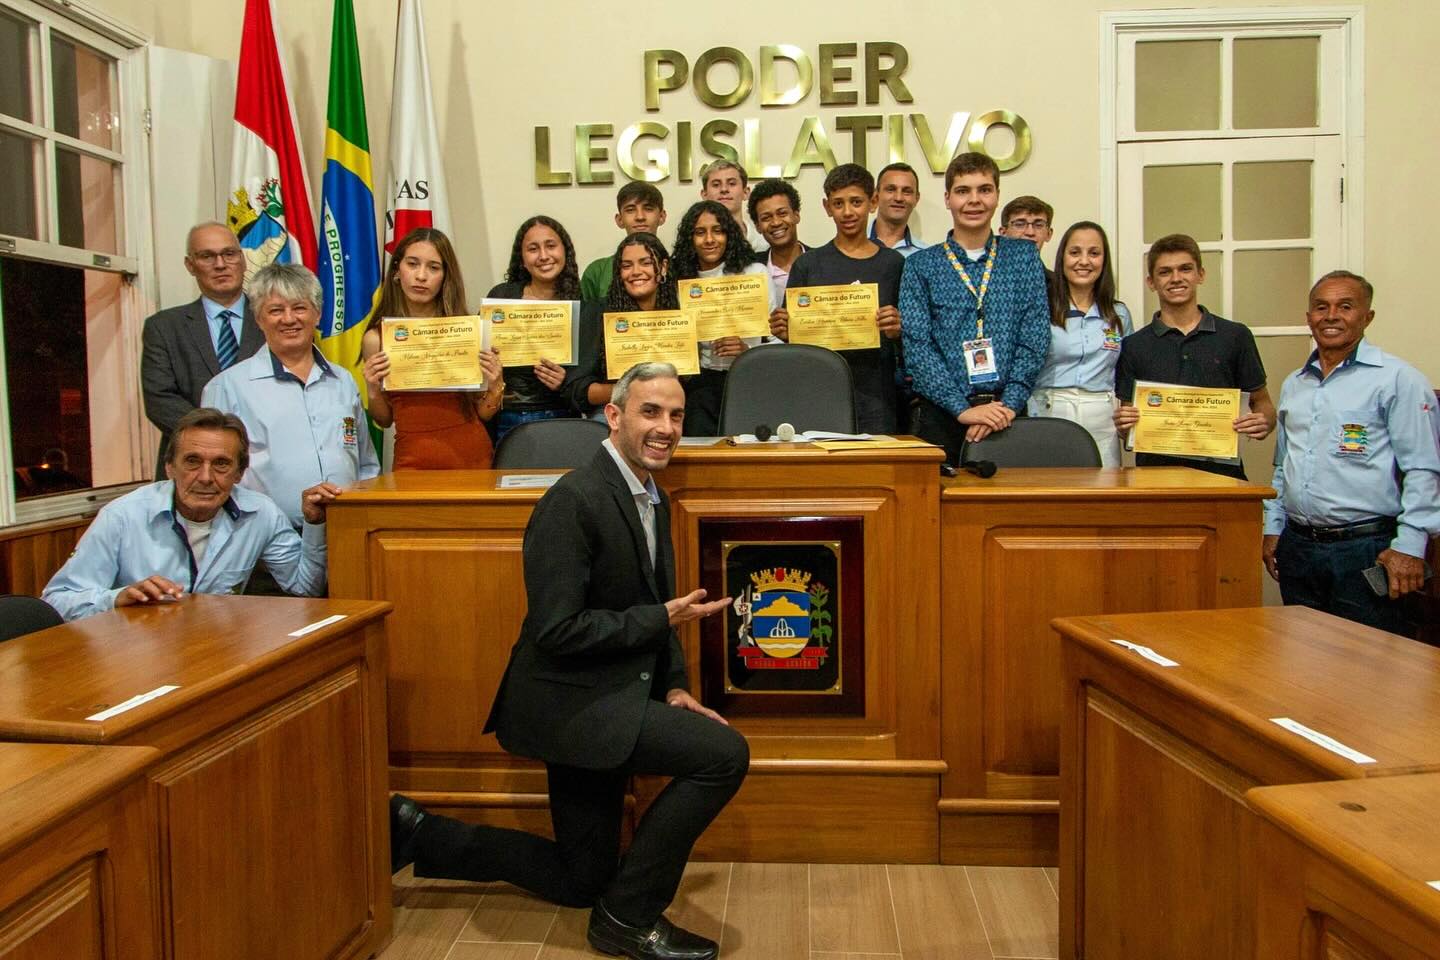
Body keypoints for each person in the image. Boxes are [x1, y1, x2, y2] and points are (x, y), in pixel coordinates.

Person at [390, 362, 747, 960]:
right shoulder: (574, 499)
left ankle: (419, 832)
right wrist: (662, 618)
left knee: (581, 880)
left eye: (676, 415)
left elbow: (654, 609)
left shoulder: (649, 494)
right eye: (650, 412)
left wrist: (676, 686)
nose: (665, 428)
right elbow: (560, 630)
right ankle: (629, 918)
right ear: (614, 415)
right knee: (724, 756)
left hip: (615, 693)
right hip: (570, 705)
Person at [1262, 271, 1440, 637]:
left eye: (1345, 306)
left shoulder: (1398, 380)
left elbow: (1423, 470)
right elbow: (1283, 466)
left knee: (1369, 671)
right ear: (1308, 316)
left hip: (1365, 550)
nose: (1331, 316)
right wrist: (1273, 527)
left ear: (1367, 316)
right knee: (1300, 665)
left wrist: (1410, 546)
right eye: (1321, 307)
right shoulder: (1295, 383)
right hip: (1298, 549)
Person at [41, 408, 335, 621]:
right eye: (192, 462)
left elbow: (303, 586)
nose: (205, 477)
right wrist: (117, 598)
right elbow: (56, 601)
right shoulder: (122, 516)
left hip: (215, 651)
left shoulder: (260, 514)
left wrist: (313, 522)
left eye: (221, 464)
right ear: (169, 467)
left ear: (239, 473)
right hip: (134, 656)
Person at [201, 262, 379, 531]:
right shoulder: (227, 387)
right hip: (268, 539)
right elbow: (215, 475)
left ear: (317, 314)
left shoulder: (343, 381)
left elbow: (365, 463)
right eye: (275, 310)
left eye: (299, 308)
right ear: (259, 319)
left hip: (347, 531)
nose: (288, 319)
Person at [898, 152, 1050, 461]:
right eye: (963, 191)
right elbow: (917, 348)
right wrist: (963, 409)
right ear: (947, 199)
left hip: (1007, 413)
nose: (974, 200)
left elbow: (1034, 337)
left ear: (996, 196)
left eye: (984, 189)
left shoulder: (1023, 257)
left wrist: (1008, 404)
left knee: (1008, 508)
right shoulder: (920, 265)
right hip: (942, 415)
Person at [1113, 234, 1275, 479]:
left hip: (1223, 479)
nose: (1176, 278)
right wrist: (1125, 425)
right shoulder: (1134, 345)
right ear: (1151, 282)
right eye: (1165, 272)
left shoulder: (1235, 336)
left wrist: (1263, 422)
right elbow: (1129, 428)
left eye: (1185, 269)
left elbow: (1264, 405)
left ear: (1201, 274)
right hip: (1153, 481)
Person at [770, 163, 905, 433]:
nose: (847, 212)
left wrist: (897, 330)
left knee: (875, 470)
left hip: (878, 393)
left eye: (856, 202)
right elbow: (793, 337)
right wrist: (784, 330)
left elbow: (908, 335)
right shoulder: (807, 265)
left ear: (873, 202)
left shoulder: (894, 263)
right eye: (838, 203)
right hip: (818, 392)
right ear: (826, 206)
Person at [358, 228, 504, 468]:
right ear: (397, 271)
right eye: (412, 264)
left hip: (472, 456)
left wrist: (496, 383)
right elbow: (384, 420)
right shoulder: (376, 339)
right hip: (411, 460)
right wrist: (373, 389)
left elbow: (485, 413)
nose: (421, 276)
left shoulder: (468, 331)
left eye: (433, 268)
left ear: (446, 276)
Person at [141, 222, 264, 477]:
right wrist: (220, 441)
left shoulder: (276, 319)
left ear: (242, 260)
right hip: (193, 469)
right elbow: (160, 400)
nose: (220, 264)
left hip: (266, 464)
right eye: (207, 256)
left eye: (229, 254)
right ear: (190, 265)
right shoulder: (163, 327)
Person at [1028, 221, 1133, 466]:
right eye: (1075, 252)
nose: (1084, 261)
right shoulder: (1040, 308)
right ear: (1062, 258)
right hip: (1050, 410)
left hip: (1102, 416)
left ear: (1104, 261)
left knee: (1102, 496)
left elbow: (1128, 374)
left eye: (1094, 253)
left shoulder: (1119, 314)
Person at [486, 215, 599, 441]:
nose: (544, 256)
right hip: (507, 417)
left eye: (551, 246)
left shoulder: (583, 308)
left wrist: (565, 381)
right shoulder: (501, 297)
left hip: (563, 417)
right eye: (533, 249)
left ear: (565, 251)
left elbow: (589, 377)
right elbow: (479, 359)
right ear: (522, 258)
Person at [671, 199, 775, 435]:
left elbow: (774, 338)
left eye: (717, 231)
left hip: (749, 378)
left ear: (730, 235)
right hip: (701, 384)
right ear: (690, 238)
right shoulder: (680, 279)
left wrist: (746, 348)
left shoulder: (754, 273)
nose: (709, 240)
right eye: (700, 232)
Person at [582, 232, 679, 415]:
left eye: (646, 263)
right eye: (627, 265)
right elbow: (581, 391)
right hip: (616, 413)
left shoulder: (680, 314)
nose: (636, 272)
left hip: (670, 411)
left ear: (664, 267)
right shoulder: (599, 313)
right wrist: (631, 391)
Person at [580, 182, 668, 302]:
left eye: (648, 208)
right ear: (620, 220)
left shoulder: (680, 268)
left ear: (662, 216)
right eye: (630, 210)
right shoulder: (597, 272)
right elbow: (583, 318)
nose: (640, 217)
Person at [747, 178, 806, 307]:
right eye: (766, 218)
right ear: (757, 226)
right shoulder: (749, 269)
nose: (776, 222)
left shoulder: (824, 262)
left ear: (796, 215)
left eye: (782, 213)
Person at [699, 159, 764, 255]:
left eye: (732, 183)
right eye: (716, 185)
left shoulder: (764, 244)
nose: (724, 189)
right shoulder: (694, 246)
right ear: (704, 195)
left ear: (745, 193)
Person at [870, 162, 927, 257]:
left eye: (907, 191)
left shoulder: (926, 256)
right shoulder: (851, 246)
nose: (898, 198)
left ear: (916, 199)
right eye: (890, 189)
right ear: (876, 196)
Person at [999, 196, 1055, 270]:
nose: (1030, 232)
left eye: (1038, 225)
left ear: (1048, 234)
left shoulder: (1057, 281)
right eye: (1020, 224)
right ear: (1003, 233)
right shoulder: (984, 277)